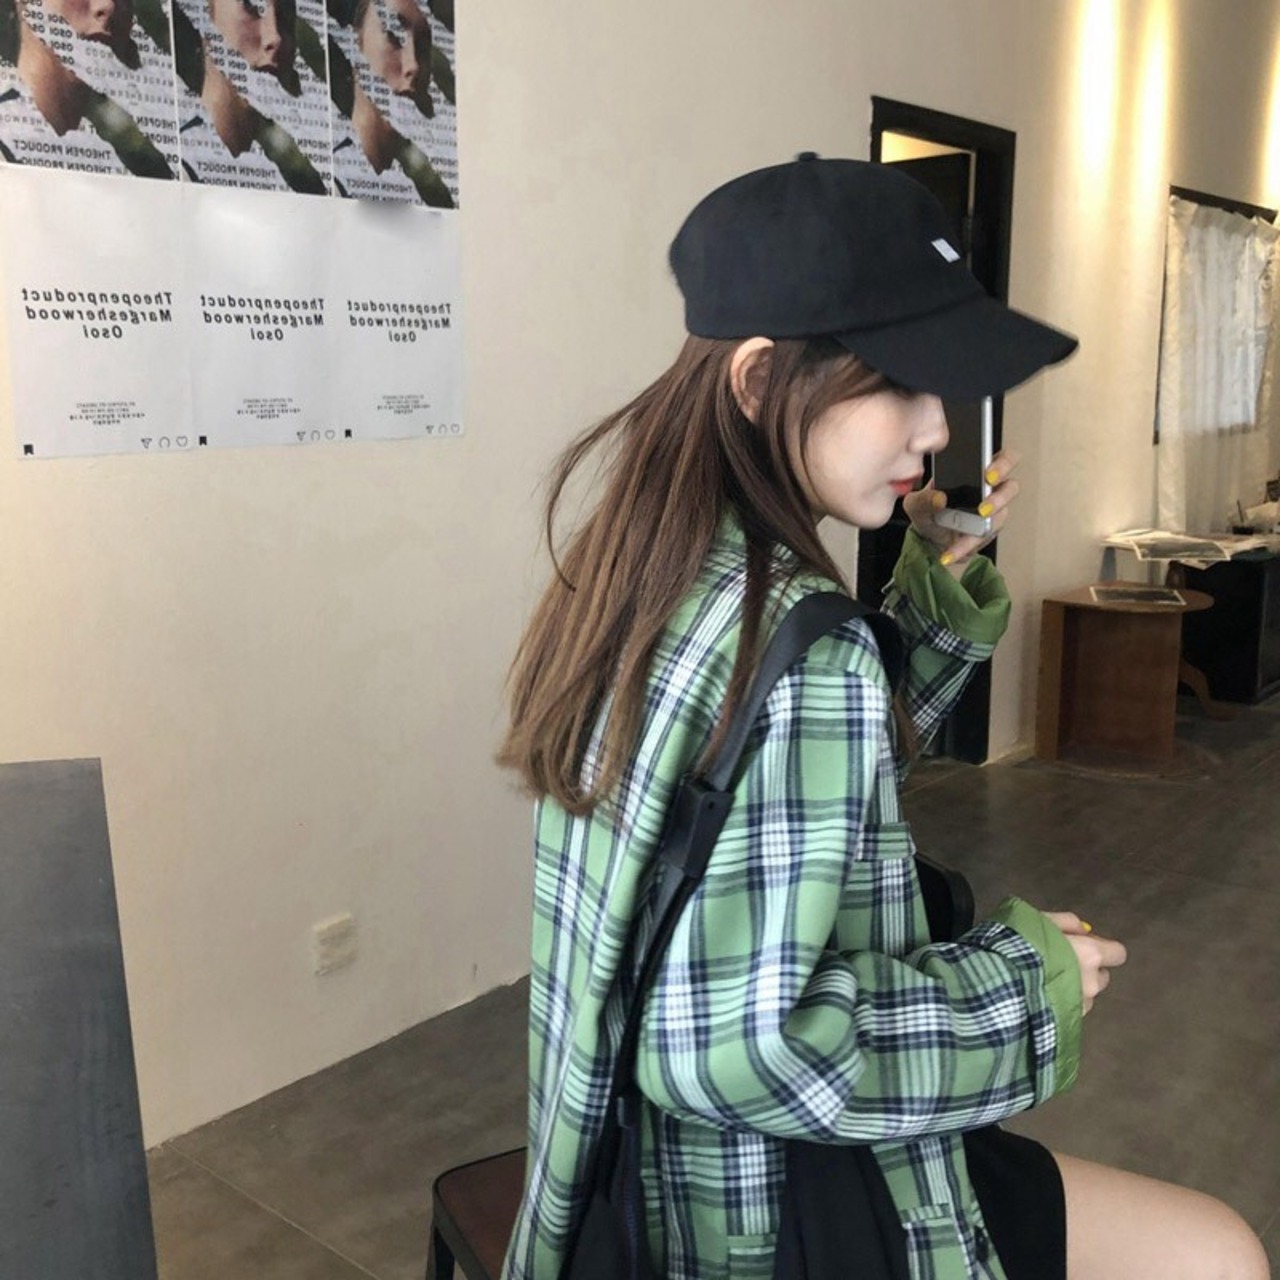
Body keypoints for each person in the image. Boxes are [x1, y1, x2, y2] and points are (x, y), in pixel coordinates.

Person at [497, 154, 1271, 1280]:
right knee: (1218, 1255)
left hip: (643, 1183)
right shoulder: (793, 635)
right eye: (898, 383)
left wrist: (930, 590)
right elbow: (733, 1052)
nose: (934, 428)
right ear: (760, 379)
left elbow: (777, 803)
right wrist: (1023, 984)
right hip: (784, 1209)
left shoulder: (642, 567)